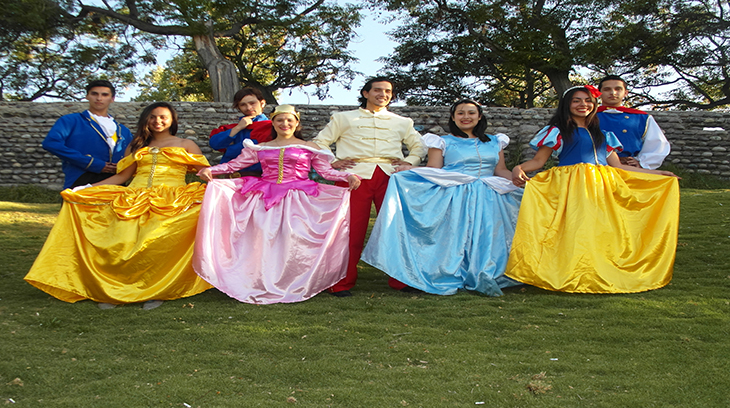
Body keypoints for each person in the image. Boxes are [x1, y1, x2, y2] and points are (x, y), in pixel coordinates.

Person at [25, 102, 212, 309]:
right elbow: (122, 176)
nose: (157, 121)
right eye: (152, 117)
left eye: (163, 117)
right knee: (122, 241)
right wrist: (87, 188)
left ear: (172, 120)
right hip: (134, 198)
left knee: (159, 241)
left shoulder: (186, 144)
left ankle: (157, 290)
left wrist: (222, 184)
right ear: (146, 119)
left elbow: (206, 172)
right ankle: (115, 289)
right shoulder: (136, 145)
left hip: (172, 200)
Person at [507, 85, 680, 294]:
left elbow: (619, 167)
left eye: (588, 100)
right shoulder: (558, 131)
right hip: (573, 184)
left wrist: (659, 174)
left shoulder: (603, 134)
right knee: (578, 227)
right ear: (567, 105)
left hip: (603, 185)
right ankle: (572, 272)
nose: (583, 105)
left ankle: (598, 270)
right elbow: (538, 161)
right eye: (577, 100)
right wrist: (518, 168)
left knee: (601, 228)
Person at [194, 105, 361, 304]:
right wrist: (212, 170)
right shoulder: (261, 147)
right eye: (280, 120)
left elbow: (326, 172)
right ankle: (261, 279)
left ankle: (294, 280)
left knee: (295, 237)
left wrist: (347, 176)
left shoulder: (309, 147)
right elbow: (235, 165)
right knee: (265, 237)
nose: (285, 124)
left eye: (289, 120)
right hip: (266, 195)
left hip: (299, 197)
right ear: (272, 123)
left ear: (297, 123)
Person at [361, 99, 523, 296]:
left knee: (487, 235)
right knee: (457, 236)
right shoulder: (442, 142)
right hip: (457, 194)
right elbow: (434, 169)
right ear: (453, 118)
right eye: (460, 113)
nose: (466, 117)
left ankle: (484, 271)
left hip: (489, 195)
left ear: (479, 116)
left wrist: (520, 181)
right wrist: (410, 171)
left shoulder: (495, 141)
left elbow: (501, 170)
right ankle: (453, 272)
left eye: (471, 113)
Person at [313, 77, 427, 297]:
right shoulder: (343, 117)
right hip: (354, 176)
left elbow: (419, 147)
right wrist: (333, 161)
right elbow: (320, 142)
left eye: (387, 91)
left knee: (396, 228)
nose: (383, 94)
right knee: (349, 231)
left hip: (390, 177)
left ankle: (401, 279)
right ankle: (341, 281)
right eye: (377, 90)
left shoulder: (402, 121)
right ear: (366, 93)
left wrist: (408, 163)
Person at [42, 80, 133, 189]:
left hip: (115, 180)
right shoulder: (71, 120)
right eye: (94, 94)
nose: (99, 98)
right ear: (87, 96)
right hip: (81, 177)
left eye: (104, 95)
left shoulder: (124, 131)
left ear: (112, 99)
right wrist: (90, 162)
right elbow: (51, 143)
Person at [597, 75, 670, 169]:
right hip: (594, 167)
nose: (613, 93)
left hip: (629, 167)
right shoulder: (588, 116)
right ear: (599, 93)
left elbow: (658, 144)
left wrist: (642, 162)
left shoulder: (641, 118)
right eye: (607, 89)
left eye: (618, 89)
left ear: (625, 93)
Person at [209, 87, 273, 177]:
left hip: (262, 178)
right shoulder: (234, 128)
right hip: (232, 178)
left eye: (252, 103)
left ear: (262, 103)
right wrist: (238, 127)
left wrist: (231, 150)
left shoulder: (273, 127)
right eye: (243, 105)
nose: (248, 108)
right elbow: (215, 144)